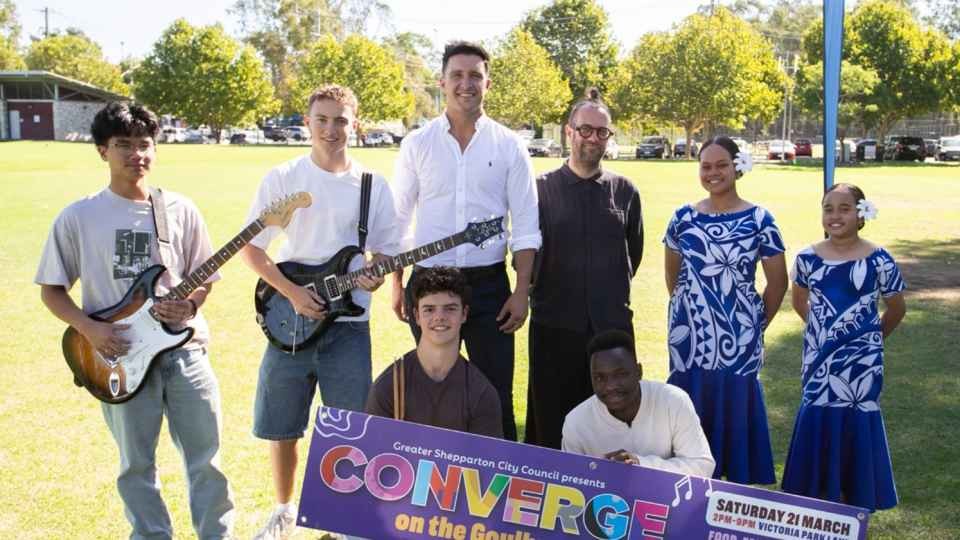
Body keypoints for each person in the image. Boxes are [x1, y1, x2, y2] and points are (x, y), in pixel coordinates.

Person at [35, 102, 234, 539]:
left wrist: (192, 304)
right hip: (118, 358)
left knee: (208, 461)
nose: (136, 154)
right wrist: (90, 328)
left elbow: (203, 277)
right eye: (123, 144)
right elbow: (52, 290)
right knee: (136, 467)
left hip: (186, 354)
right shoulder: (79, 216)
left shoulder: (179, 208)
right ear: (102, 151)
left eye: (144, 144)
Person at [239, 84, 398, 540]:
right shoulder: (283, 178)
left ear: (355, 124)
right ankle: (283, 511)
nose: (331, 129)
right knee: (282, 425)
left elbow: (386, 251)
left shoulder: (371, 185)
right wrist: (291, 293)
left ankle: (343, 519)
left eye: (341, 120)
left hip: (348, 325)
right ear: (307, 123)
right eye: (322, 120)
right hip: (288, 322)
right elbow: (252, 249)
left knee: (350, 428)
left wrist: (376, 275)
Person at [390, 41, 541, 441]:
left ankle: (501, 476)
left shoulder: (509, 145)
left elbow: (526, 225)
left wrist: (521, 292)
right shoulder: (417, 144)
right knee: (432, 393)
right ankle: (434, 475)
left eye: (475, 75)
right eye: (456, 75)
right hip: (427, 283)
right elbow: (398, 220)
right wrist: (397, 284)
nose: (466, 83)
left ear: (487, 83)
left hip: (489, 287)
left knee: (495, 393)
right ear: (442, 82)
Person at [663, 136, 788, 484]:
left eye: (721, 165)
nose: (713, 173)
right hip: (689, 339)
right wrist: (694, 312)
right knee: (691, 403)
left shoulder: (760, 219)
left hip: (740, 340)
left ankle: (733, 488)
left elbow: (778, 283)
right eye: (705, 166)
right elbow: (674, 279)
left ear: (737, 167)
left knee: (734, 403)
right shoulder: (682, 218)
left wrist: (754, 325)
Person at [526, 91, 643, 449]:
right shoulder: (539, 190)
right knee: (551, 423)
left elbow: (633, 254)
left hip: (611, 327)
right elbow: (525, 254)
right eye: (585, 130)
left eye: (602, 132)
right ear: (569, 132)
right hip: (554, 328)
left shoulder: (625, 191)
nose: (593, 138)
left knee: (614, 420)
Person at [782, 183, 906, 512]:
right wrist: (825, 335)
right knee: (817, 412)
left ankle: (855, 498)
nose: (835, 215)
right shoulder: (807, 258)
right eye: (828, 208)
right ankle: (815, 497)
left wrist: (870, 339)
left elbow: (896, 308)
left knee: (856, 418)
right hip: (819, 364)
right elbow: (799, 302)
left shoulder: (879, 259)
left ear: (861, 215)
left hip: (862, 368)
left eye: (844, 208)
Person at [367, 266, 503, 437]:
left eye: (450, 308)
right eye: (429, 309)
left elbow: (485, 453)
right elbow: (373, 450)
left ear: (464, 314)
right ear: (416, 315)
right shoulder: (389, 386)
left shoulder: (481, 392)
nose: (439, 317)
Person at [562, 330, 715, 477]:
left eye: (620, 374)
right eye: (599, 378)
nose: (610, 386)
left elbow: (702, 466)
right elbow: (570, 479)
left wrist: (640, 464)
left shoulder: (673, 401)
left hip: (664, 495)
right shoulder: (576, 422)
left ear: (639, 371)